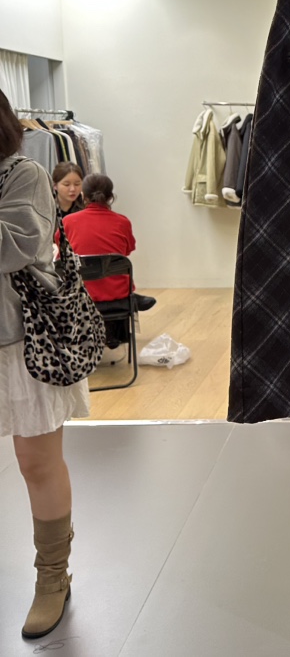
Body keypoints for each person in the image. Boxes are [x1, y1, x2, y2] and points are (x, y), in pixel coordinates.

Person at [0, 87, 89, 639]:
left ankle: (52, 576)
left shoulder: (24, 173)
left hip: (21, 343)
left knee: (37, 462)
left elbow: (17, 247)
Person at [62, 175, 155, 350]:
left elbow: (61, 252)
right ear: (111, 196)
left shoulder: (68, 222)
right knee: (115, 278)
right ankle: (120, 322)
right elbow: (126, 251)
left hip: (80, 295)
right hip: (118, 294)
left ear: (83, 196)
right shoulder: (122, 221)